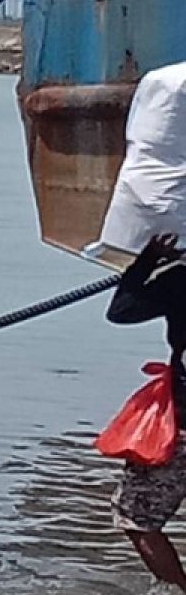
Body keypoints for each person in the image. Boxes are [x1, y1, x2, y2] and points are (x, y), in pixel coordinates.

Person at [106, 233, 186, 591]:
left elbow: (121, 311)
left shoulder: (179, 280)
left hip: (183, 422)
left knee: (137, 516)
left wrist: (147, 260)